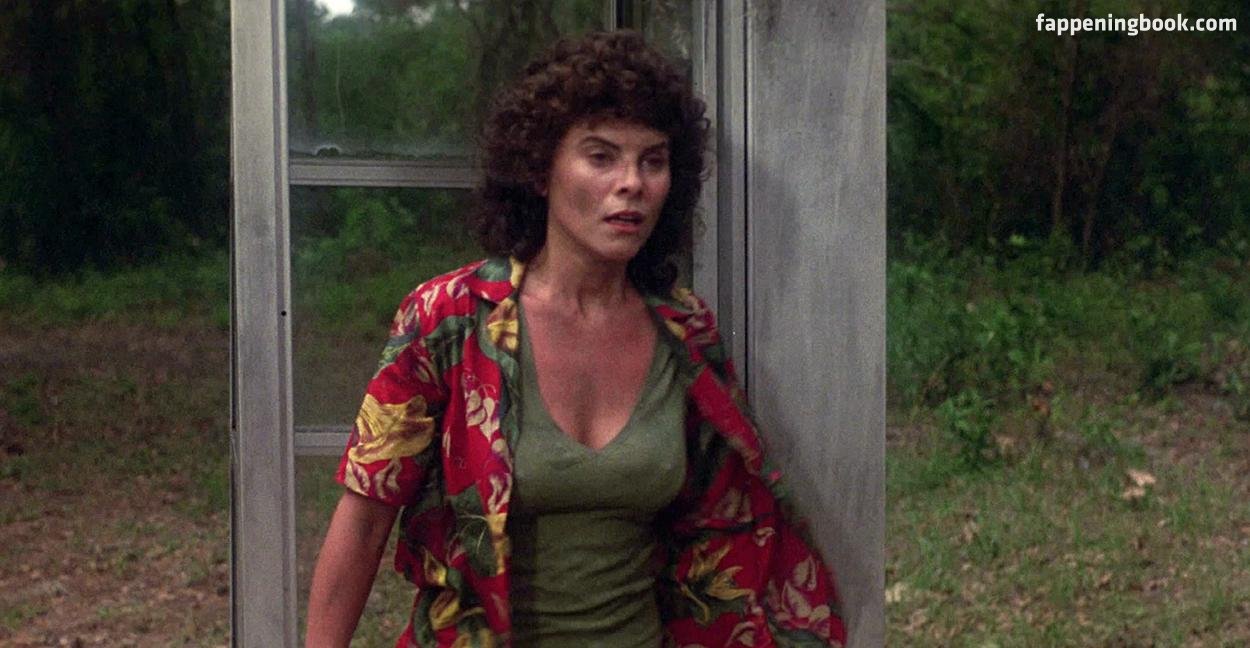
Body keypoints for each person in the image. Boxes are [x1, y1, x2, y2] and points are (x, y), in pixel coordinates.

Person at [306, 30, 845, 648]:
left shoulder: (685, 332)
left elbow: (725, 533)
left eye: (653, 161)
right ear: (540, 169)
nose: (631, 183)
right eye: (601, 157)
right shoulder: (449, 319)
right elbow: (363, 524)